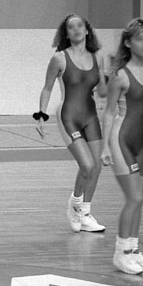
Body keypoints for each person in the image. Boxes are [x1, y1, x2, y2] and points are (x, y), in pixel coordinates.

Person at [101, 18, 143, 274]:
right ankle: (121, 253)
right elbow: (109, 113)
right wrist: (106, 147)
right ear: (128, 43)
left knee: (140, 200)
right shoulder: (119, 75)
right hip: (122, 140)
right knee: (134, 197)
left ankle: (134, 250)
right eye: (139, 38)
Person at [36, 14, 108, 233]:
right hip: (68, 116)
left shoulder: (98, 57)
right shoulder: (59, 58)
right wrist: (40, 115)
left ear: (87, 30)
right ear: (66, 33)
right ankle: (75, 205)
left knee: (96, 166)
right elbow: (47, 88)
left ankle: (85, 213)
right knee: (86, 165)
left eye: (79, 25)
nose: (76, 29)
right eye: (70, 27)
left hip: (90, 115)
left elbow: (103, 89)